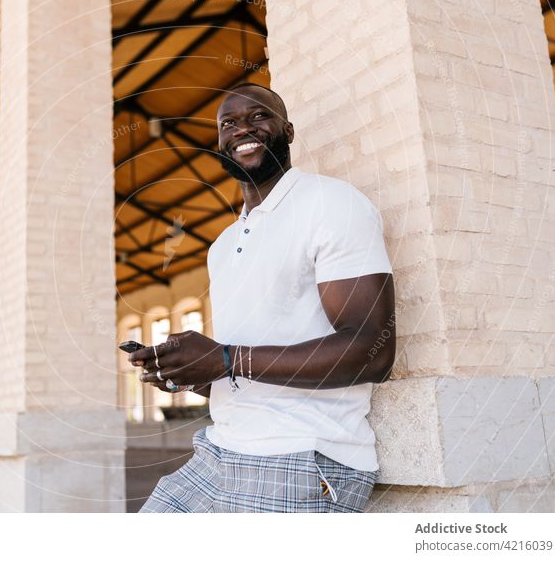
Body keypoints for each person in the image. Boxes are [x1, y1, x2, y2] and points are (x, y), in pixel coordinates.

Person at [129, 83, 395, 513]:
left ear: (287, 131)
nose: (241, 129)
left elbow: (372, 351)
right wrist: (191, 372)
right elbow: (243, 370)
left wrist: (228, 359)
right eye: (228, 123)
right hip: (216, 451)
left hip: (302, 456)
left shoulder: (331, 203)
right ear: (219, 143)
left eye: (258, 116)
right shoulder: (222, 246)